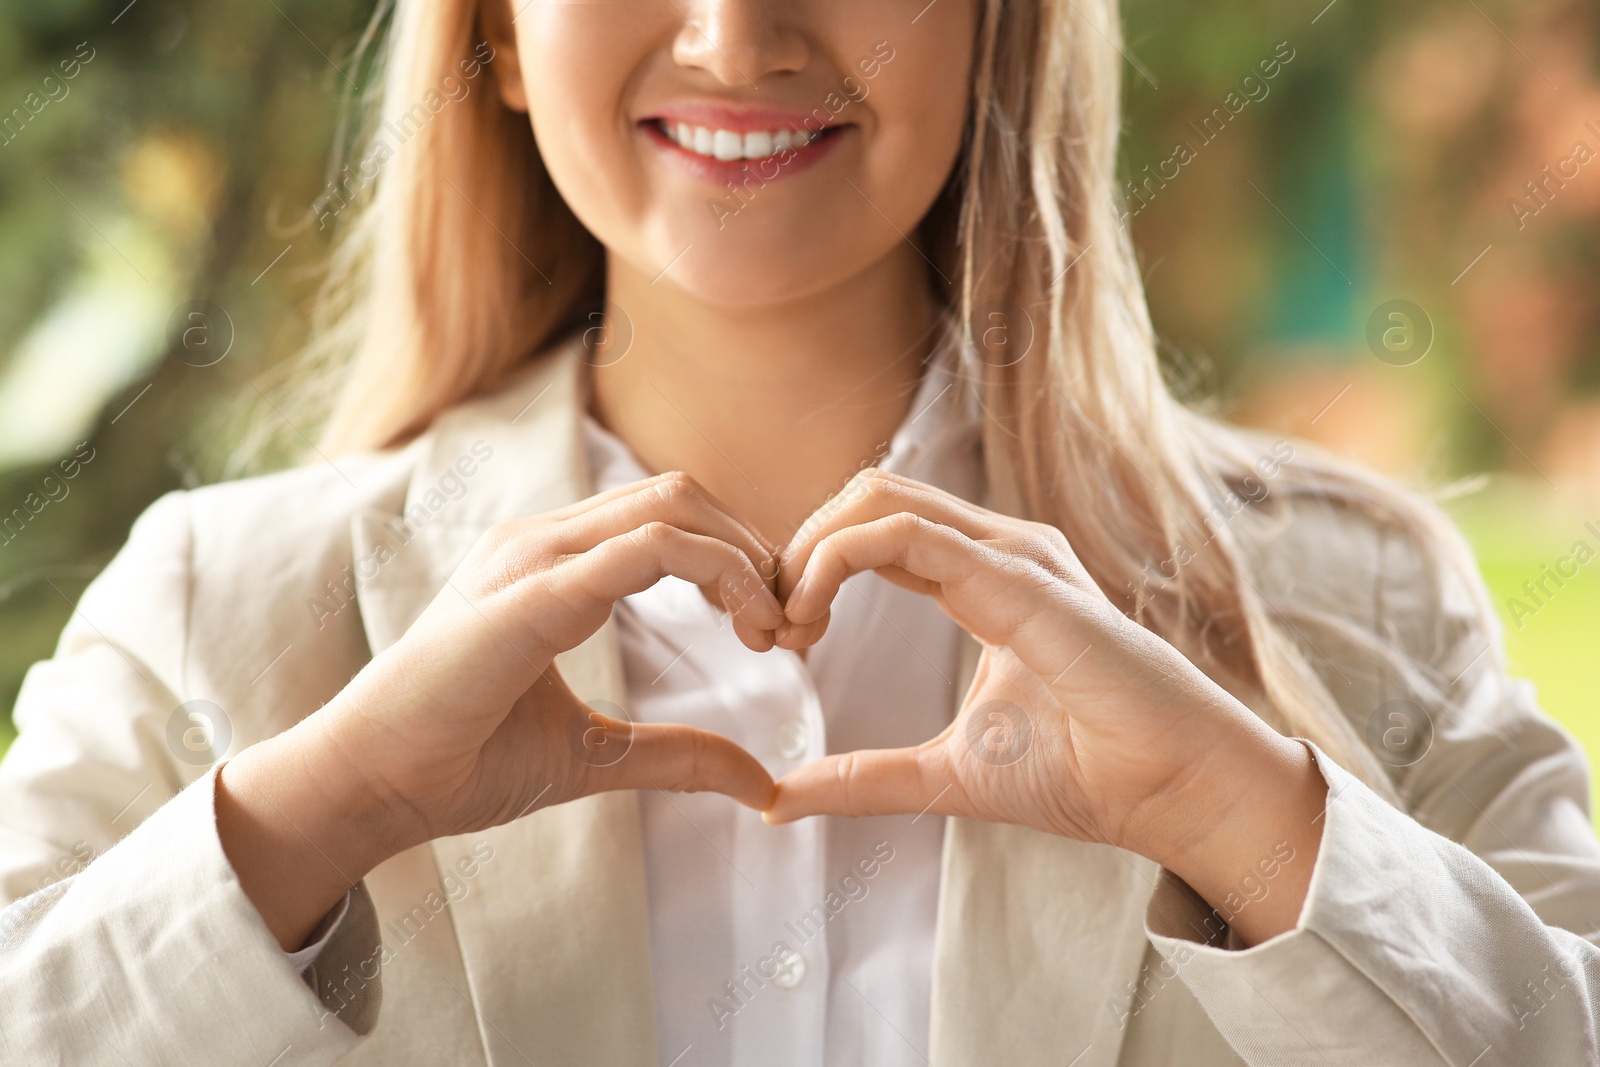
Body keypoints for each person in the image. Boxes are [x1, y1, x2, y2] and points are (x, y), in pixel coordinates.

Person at [3, 0, 1598, 1064]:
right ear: (491, 35)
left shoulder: (1358, 596)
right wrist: (316, 817)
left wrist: (1243, 818)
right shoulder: (211, 605)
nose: (732, 33)